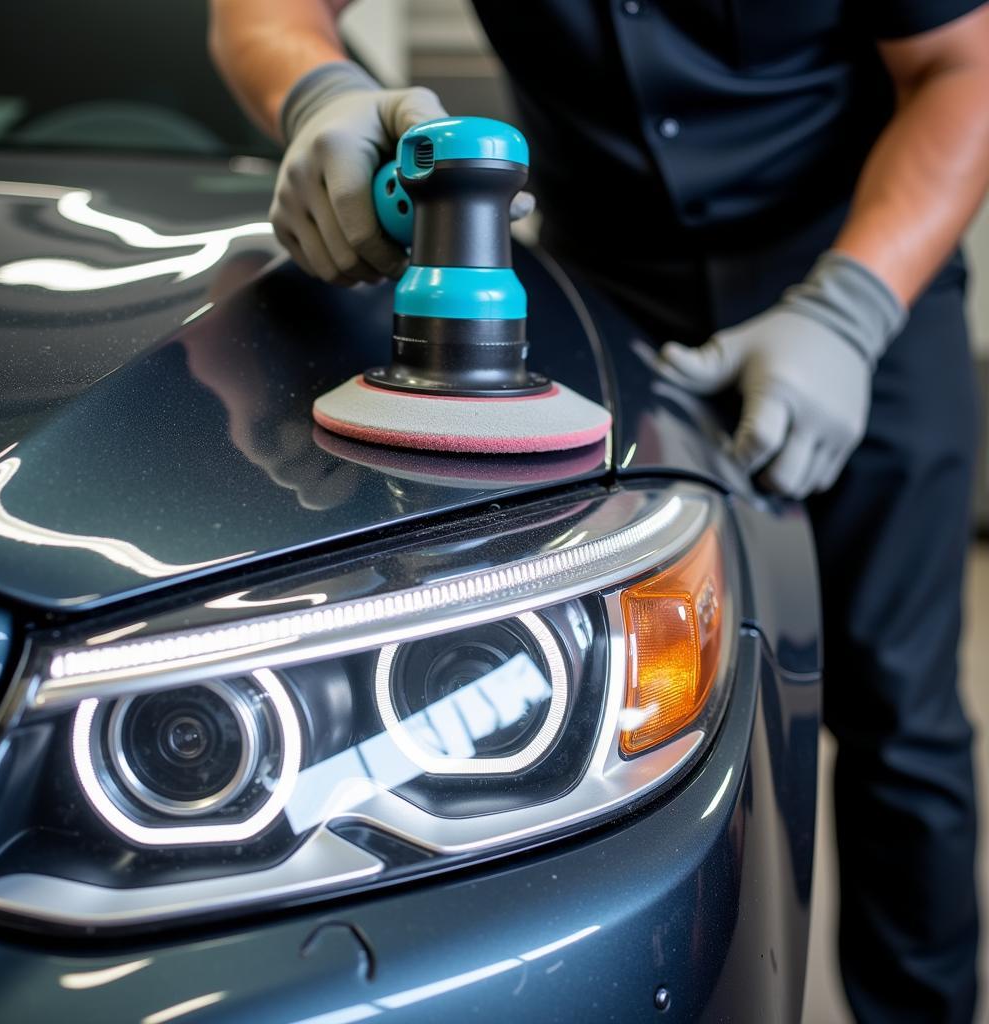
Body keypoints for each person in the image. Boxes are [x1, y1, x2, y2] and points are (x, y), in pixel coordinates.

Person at [209, 1, 988, 1018]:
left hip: (860, 266)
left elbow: (959, 70)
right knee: (603, 706)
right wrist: (324, 91)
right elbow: (263, 10)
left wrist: (850, 308)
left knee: (898, 712)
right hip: (600, 292)